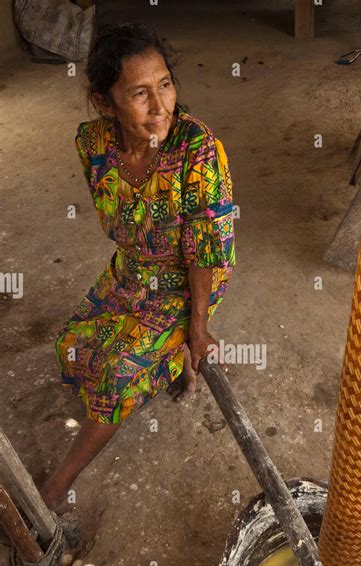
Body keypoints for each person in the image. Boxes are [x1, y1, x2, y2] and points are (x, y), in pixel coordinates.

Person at [39, 23, 236, 513]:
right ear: (105, 103)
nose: (160, 106)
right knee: (72, 345)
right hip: (134, 266)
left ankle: (56, 486)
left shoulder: (197, 149)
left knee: (113, 378)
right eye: (140, 94)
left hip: (191, 276)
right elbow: (124, 225)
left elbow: (204, 249)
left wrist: (198, 326)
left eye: (166, 85)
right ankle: (174, 366)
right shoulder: (93, 145)